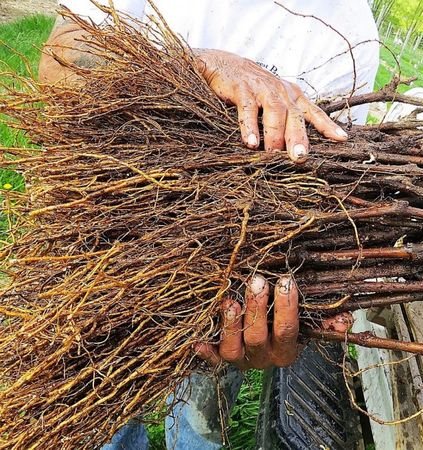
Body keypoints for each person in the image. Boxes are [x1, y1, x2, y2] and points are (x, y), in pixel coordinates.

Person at [40, 1, 380, 448]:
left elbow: (320, 198)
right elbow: (58, 64)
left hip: (221, 290)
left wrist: (304, 308)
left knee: (200, 427)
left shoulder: (349, 27)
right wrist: (191, 66)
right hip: (103, 255)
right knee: (95, 414)